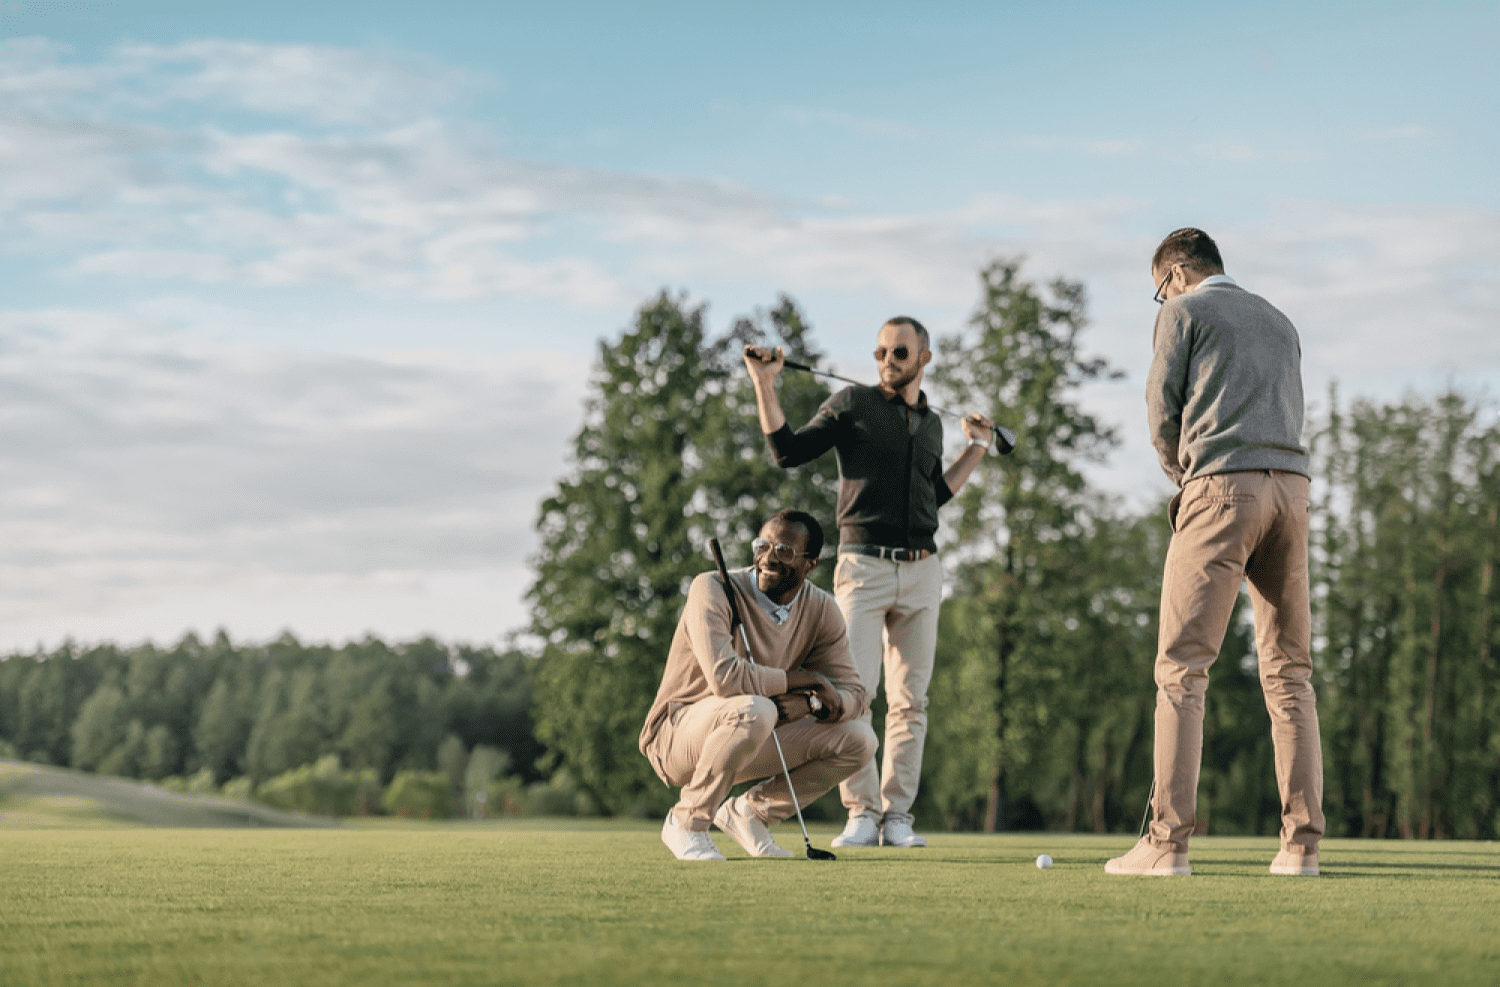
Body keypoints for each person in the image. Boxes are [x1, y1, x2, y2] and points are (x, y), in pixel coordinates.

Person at [1106, 228, 1324, 877]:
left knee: (1182, 669)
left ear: (1174, 273)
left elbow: (1160, 408)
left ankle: (1167, 843)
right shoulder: (1279, 320)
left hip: (1221, 487)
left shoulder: (1183, 311)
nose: (1160, 299)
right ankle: (1301, 847)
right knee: (1290, 673)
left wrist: (1183, 472)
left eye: (1157, 290)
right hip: (1291, 492)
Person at [744, 319, 993, 848]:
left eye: (898, 351)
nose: (886, 359)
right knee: (856, 694)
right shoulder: (852, 405)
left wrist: (976, 448)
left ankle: (897, 816)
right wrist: (765, 383)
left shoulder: (931, 424)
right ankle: (861, 811)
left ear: (924, 356)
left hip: (923, 570)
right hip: (863, 567)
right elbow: (786, 451)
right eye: (880, 351)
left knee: (912, 701)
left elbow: (934, 498)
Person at [639, 509, 877, 861]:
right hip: (676, 735)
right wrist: (806, 681)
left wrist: (812, 705)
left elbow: (855, 695)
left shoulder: (822, 609)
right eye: (763, 545)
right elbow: (726, 679)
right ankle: (687, 821)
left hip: (750, 728)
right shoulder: (712, 587)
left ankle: (752, 813)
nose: (768, 558)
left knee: (860, 739)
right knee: (757, 707)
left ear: (810, 563)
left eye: (784, 550)